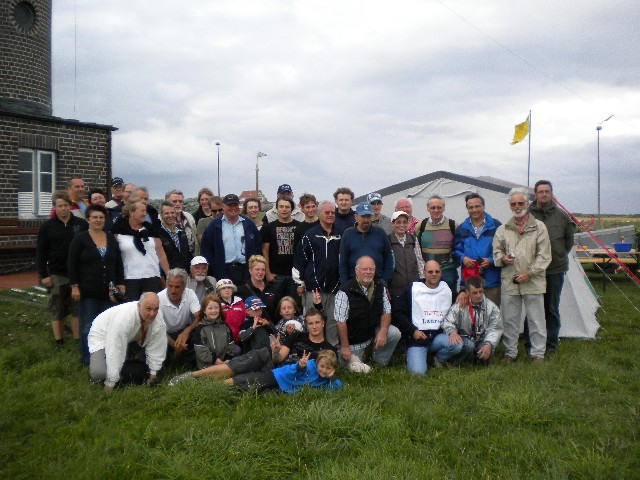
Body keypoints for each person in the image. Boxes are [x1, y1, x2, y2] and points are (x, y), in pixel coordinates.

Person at [493, 187, 551, 363]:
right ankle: (510, 352)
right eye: (514, 204)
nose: (517, 207)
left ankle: (538, 353)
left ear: (527, 204)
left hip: (533, 281)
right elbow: (496, 252)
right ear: (509, 205)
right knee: (510, 320)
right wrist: (502, 258)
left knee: (536, 319)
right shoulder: (502, 229)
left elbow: (544, 255)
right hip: (510, 281)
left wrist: (530, 273)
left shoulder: (539, 227)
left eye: (520, 203)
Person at [68, 204, 125, 365]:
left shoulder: (110, 238)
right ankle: (87, 360)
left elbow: (118, 263)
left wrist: (121, 283)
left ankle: (105, 358)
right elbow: (72, 264)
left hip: (108, 292)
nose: (98, 220)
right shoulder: (80, 239)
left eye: (101, 217)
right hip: (88, 291)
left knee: (107, 326)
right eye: (95, 217)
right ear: (88, 220)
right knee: (88, 327)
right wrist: (74, 286)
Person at [169, 347, 341, 394]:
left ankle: (207, 388)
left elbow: (337, 388)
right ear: (316, 363)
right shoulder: (309, 365)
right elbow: (289, 372)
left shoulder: (326, 378)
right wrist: (299, 366)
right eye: (322, 366)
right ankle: (197, 382)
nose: (324, 370)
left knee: (244, 389)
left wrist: (331, 378)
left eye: (328, 368)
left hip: (281, 389)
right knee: (242, 381)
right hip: (275, 377)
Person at [527, 180, 574, 354]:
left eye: (547, 191)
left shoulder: (562, 216)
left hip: (555, 269)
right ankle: (530, 343)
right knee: (533, 308)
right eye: (541, 191)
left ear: (551, 193)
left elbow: (569, 241)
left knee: (551, 308)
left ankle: (551, 344)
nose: (544, 194)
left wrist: (557, 255)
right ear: (535, 194)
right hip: (532, 271)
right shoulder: (527, 214)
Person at [36, 190, 88, 348]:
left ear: (70, 206)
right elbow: (41, 251)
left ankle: (77, 340)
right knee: (57, 308)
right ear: (55, 207)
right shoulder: (47, 227)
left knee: (76, 308)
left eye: (66, 205)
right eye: (60, 206)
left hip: (78, 273)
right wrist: (44, 274)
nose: (63, 208)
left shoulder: (81, 224)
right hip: (57, 272)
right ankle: (59, 341)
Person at [88, 292, 167, 392]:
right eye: (148, 309)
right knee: (98, 374)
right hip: (103, 334)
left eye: (156, 309)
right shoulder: (123, 319)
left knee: (142, 369)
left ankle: (122, 370)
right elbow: (115, 350)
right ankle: (110, 374)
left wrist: (153, 373)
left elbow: (157, 344)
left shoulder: (158, 316)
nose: (152, 314)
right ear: (139, 306)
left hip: (131, 336)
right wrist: (110, 384)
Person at [335, 256, 401, 373]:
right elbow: (341, 322)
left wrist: (383, 331)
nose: (368, 272)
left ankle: (379, 362)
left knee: (394, 333)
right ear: (356, 271)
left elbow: (386, 311)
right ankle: (360, 360)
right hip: (353, 343)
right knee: (360, 370)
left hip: (371, 335)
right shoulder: (344, 291)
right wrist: (345, 347)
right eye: (364, 269)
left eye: (371, 269)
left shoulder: (380, 287)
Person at [292, 200, 343, 346]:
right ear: (319, 214)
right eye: (327, 212)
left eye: (333, 212)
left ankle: (331, 350)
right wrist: (300, 283)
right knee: (313, 320)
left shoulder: (341, 234)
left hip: (335, 287)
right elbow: (300, 260)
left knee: (332, 321)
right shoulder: (310, 235)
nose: (330, 215)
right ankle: (311, 350)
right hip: (313, 288)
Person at [392, 261, 452, 374]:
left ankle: (437, 360)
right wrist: (412, 331)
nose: (434, 274)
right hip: (417, 339)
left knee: (457, 345)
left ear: (441, 273)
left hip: (438, 337)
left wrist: (463, 292)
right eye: (430, 272)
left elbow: (457, 302)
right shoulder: (413, 289)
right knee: (418, 373)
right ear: (424, 273)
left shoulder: (446, 288)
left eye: (437, 271)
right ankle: (419, 356)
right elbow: (398, 313)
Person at [435, 276, 503, 366]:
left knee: (488, 352)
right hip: (465, 338)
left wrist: (488, 344)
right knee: (469, 345)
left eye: (480, 292)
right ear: (467, 292)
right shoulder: (460, 305)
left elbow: (495, 328)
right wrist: (452, 332)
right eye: (475, 293)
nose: (478, 295)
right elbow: (447, 321)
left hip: (482, 339)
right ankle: (452, 364)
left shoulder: (492, 307)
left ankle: (477, 361)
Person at [111, 199, 169, 300]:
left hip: (152, 277)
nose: (145, 214)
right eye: (142, 211)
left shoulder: (152, 231)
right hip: (129, 279)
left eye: (145, 211)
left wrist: (168, 275)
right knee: (131, 307)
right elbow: (115, 258)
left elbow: (161, 256)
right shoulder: (118, 232)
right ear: (132, 213)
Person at [200, 193, 262, 286]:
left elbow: (257, 246)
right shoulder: (214, 226)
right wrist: (215, 268)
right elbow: (206, 249)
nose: (233, 208)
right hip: (223, 271)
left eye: (235, 205)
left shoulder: (249, 224)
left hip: (246, 271)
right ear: (223, 206)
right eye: (230, 205)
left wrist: (253, 267)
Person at [453, 193, 502, 306]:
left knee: (491, 314)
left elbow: (503, 251)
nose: (474, 210)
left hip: (491, 283)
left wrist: (490, 261)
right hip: (469, 283)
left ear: (483, 206)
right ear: (467, 208)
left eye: (477, 206)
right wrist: (463, 258)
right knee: (470, 315)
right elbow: (455, 251)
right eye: (471, 207)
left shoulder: (496, 226)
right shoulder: (462, 228)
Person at [339, 201, 394, 285]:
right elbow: (343, 261)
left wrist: (385, 281)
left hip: (377, 283)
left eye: (368, 216)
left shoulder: (380, 233)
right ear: (356, 217)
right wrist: (345, 284)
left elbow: (389, 259)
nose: (366, 220)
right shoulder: (348, 234)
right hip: (353, 284)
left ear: (372, 217)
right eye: (363, 216)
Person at [416, 194, 458, 298]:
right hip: (428, 272)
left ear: (444, 208)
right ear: (428, 209)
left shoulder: (453, 225)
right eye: (433, 207)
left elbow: (459, 248)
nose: (436, 210)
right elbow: (416, 249)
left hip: (447, 272)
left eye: (439, 207)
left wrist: (454, 263)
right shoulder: (421, 226)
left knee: (449, 300)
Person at [261, 196, 300, 303]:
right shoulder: (269, 227)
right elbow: (265, 251)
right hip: (275, 275)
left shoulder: (299, 227)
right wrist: (267, 273)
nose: (284, 209)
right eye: (281, 206)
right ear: (277, 208)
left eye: (287, 207)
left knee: (294, 305)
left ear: (291, 209)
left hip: (294, 275)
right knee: (273, 304)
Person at [158, 268, 201, 365]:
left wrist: (187, 331)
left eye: (177, 287)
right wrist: (174, 345)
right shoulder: (159, 298)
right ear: (166, 284)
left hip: (184, 332)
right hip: (165, 334)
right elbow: (156, 328)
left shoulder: (190, 293)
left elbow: (199, 317)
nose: (173, 290)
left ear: (184, 286)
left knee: (201, 331)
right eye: (170, 286)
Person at [270, 305, 337, 364]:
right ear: (306, 326)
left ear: (323, 324)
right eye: (310, 323)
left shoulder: (329, 350)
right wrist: (275, 352)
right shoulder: (296, 336)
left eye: (317, 322)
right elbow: (278, 359)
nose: (314, 326)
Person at [387, 210, 425, 303]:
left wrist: (423, 280)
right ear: (392, 224)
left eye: (404, 222)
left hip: (414, 287)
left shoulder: (413, 239)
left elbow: (419, 261)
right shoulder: (388, 240)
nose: (402, 225)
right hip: (396, 288)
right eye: (398, 222)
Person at [192, 293, 235, 369]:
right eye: (210, 308)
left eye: (216, 308)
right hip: (206, 365)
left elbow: (231, 344)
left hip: (224, 362)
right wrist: (215, 360)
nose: (213, 311)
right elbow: (200, 350)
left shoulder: (225, 326)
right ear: (204, 311)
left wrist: (228, 358)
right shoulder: (200, 328)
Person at [236, 255, 279, 322]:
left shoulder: (272, 289)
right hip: (251, 327)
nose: (260, 272)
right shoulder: (241, 291)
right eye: (257, 269)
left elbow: (277, 312)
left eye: (263, 270)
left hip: (270, 326)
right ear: (250, 271)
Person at [158, 200, 192, 271]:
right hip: (168, 275)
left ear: (176, 214)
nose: (170, 215)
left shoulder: (182, 233)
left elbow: (187, 255)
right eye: (166, 213)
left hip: (184, 274)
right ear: (161, 215)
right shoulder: (158, 235)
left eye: (172, 213)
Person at [215, 278, 246, 346]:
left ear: (233, 289)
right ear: (219, 291)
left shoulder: (239, 302)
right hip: (224, 339)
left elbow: (244, 317)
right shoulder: (216, 304)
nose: (227, 290)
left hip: (241, 336)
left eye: (229, 287)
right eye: (223, 288)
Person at [166, 189, 197, 255]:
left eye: (180, 201)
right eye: (174, 201)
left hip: (189, 256)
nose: (178, 204)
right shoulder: (160, 220)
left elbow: (195, 240)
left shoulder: (189, 217)